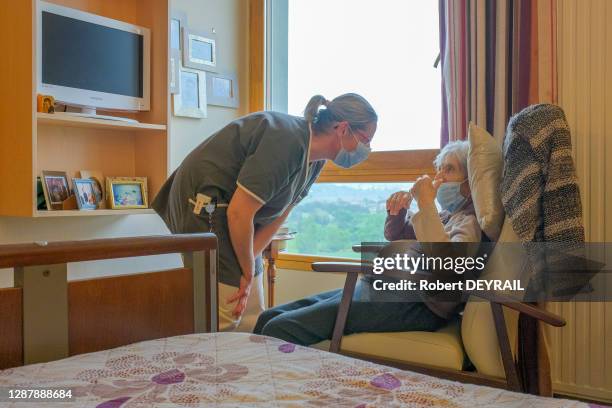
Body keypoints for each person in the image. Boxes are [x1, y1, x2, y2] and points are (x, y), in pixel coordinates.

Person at [152, 93, 378, 332]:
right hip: (206, 205)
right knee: (227, 312)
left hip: (238, 214)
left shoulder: (315, 161)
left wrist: (249, 267)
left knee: (251, 312)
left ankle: (247, 364)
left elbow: (280, 215)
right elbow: (239, 213)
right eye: (365, 140)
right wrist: (246, 270)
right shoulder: (287, 141)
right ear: (342, 129)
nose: (367, 149)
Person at [253, 141, 481, 345]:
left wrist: (426, 204)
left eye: (449, 169)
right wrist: (399, 211)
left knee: (278, 328)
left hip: (417, 303)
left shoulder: (468, 223)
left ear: (469, 184)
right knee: (267, 317)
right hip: (384, 288)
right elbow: (397, 233)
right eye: (439, 169)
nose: (439, 177)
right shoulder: (445, 216)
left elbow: (450, 265)